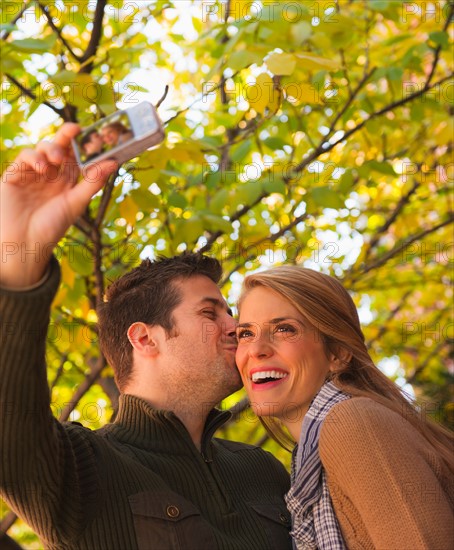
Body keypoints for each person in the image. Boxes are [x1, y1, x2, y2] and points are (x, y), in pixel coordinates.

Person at [0, 123, 292, 550]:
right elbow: (10, 419)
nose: (237, 328)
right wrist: (18, 257)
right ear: (145, 339)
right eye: (211, 313)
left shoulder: (263, 469)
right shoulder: (81, 469)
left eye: (230, 312)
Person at [235, 266, 454, 549]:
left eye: (284, 329)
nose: (256, 349)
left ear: (337, 353)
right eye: (245, 333)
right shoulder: (311, 460)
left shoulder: (354, 423)